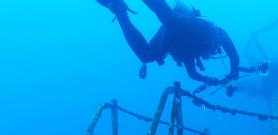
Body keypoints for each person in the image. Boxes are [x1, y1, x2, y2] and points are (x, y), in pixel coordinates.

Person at [96, 0, 240, 86]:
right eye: (212, 51)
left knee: (146, 56)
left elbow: (192, 74)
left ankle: (119, 11)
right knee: (170, 20)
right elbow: (233, 53)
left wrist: (208, 80)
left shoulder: (190, 54)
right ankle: (120, 11)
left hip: (174, 37)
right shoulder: (216, 33)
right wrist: (233, 71)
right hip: (186, 26)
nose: (208, 55)